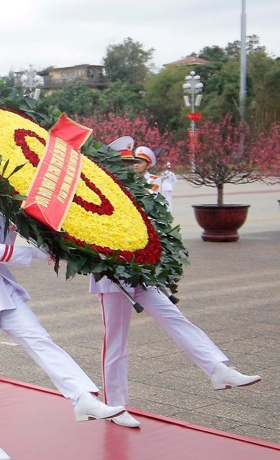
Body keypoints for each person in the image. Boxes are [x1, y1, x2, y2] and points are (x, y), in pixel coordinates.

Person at [0, 142, 124, 460]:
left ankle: (83, 396)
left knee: (41, 340)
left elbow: (6, 233)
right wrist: (32, 254)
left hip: (3, 288)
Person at [92, 140, 261, 429]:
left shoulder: (140, 193)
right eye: (123, 166)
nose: (129, 170)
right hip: (114, 279)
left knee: (175, 318)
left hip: (143, 272)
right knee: (116, 343)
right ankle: (116, 406)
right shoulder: (98, 196)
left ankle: (217, 369)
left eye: (131, 165)